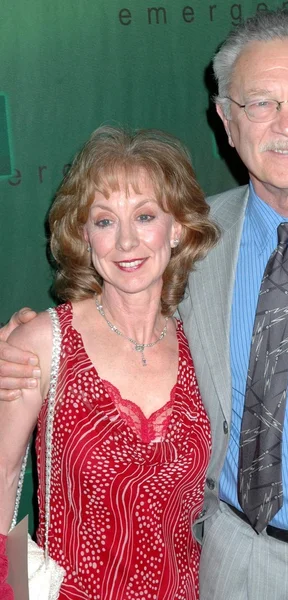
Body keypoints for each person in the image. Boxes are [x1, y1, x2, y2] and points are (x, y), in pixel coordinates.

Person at [1, 9, 288, 600]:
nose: (286, 124)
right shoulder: (200, 242)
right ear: (226, 120)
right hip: (231, 567)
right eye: (260, 103)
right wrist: (21, 340)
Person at [0, 125, 219, 600]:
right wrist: (14, 590)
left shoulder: (203, 345)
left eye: (144, 216)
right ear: (84, 234)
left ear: (177, 227)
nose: (125, 242)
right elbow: (2, 473)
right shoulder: (44, 340)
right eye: (104, 221)